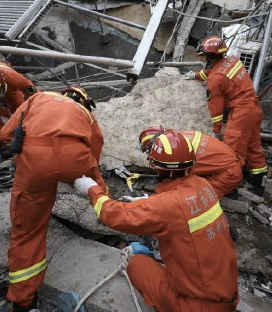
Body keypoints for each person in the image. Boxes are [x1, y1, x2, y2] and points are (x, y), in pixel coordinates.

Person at [74, 129, 239, 312]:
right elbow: (181, 211)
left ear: (155, 165)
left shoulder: (167, 206)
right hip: (228, 295)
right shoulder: (204, 185)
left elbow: (113, 215)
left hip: (197, 306)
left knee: (136, 265)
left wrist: (91, 189)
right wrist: (148, 203)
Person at [0, 90, 108, 312]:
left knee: (28, 232)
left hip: (36, 160)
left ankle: (24, 300)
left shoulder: (39, 97)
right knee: (99, 189)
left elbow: (5, 133)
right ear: (84, 102)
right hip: (74, 159)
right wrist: (88, 176)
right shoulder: (85, 113)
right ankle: (111, 216)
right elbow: (96, 145)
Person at [191, 35, 268, 194]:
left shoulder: (215, 80)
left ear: (210, 56)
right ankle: (259, 185)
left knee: (231, 154)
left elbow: (216, 109)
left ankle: (229, 187)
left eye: (203, 55)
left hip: (241, 113)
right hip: (254, 109)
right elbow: (215, 71)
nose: (202, 58)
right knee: (253, 147)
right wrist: (196, 75)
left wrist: (216, 131)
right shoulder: (233, 61)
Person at [139, 125, 243, 198]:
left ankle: (226, 189)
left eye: (148, 152)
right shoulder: (180, 140)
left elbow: (181, 180)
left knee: (188, 196)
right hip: (227, 164)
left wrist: (160, 191)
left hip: (229, 174)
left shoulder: (180, 154)